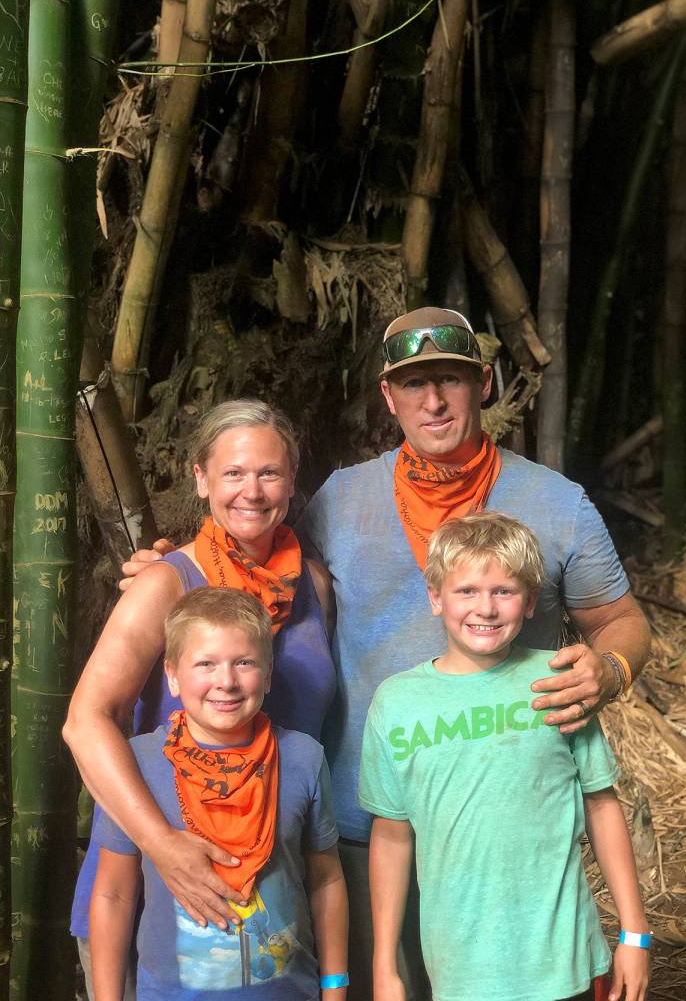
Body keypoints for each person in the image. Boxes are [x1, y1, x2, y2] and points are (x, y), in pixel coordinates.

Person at [122, 308, 650, 998]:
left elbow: (621, 620)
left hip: (506, 827)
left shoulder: (558, 504)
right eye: (414, 384)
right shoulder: (342, 500)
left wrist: (610, 668)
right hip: (366, 825)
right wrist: (173, 571)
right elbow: (262, 567)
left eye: (450, 380)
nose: (434, 402)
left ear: (483, 384)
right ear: (388, 397)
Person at [64, 400, 337, 997]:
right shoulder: (164, 582)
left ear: (292, 480)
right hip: (153, 894)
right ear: (201, 479)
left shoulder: (312, 586)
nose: (251, 491)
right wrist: (161, 846)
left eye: (269, 472)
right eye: (233, 473)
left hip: (273, 902)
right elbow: (85, 721)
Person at [359, 512, 650, 1001]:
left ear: (530, 600)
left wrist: (634, 934)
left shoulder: (561, 683)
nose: (486, 608)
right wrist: (385, 965)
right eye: (467, 591)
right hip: (460, 971)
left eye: (504, 591)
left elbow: (601, 805)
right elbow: (391, 836)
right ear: (435, 597)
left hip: (568, 963)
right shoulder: (396, 703)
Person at [89, 587, 348, 1001]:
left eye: (244, 662)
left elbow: (326, 880)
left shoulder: (303, 757)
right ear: (173, 676)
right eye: (205, 664)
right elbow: (113, 894)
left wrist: (335, 987)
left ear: (267, 674)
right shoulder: (136, 763)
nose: (225, 682)